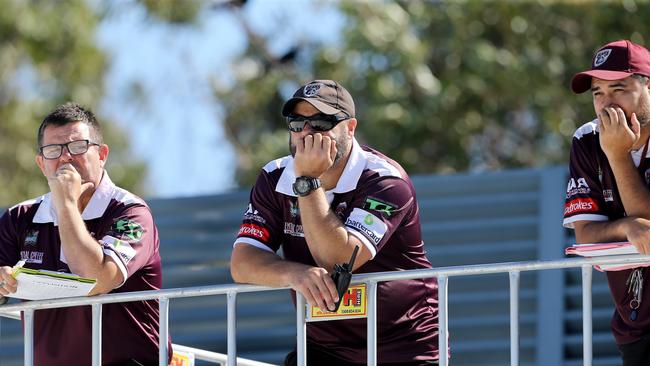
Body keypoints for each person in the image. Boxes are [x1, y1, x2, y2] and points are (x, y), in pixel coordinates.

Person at [230, 80, 439, 366]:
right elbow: (242, 263)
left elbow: (336, 259)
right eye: (297, 123)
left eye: (321, 123)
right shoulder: (274, 177)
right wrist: (294, 274)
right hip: (324, 348)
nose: (307, 134)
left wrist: (306, 182)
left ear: (350, 128)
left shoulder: (385, 181)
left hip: (404, 347)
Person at [0, 103, 171, 366]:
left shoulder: (130, 213)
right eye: (53, 150)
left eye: (78, 146)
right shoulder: (19, 218)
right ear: (41, 163)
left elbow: (96, 279)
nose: (66, 158)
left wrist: (66, 204)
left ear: (102, 154)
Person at [564, 40, 650, 365]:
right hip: (634, 325)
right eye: (598, 93)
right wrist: (627, 226)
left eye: (618, 89)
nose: (605, 104)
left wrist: (616, 154)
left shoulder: (605, 144)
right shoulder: (587, 139)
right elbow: (585, 236)